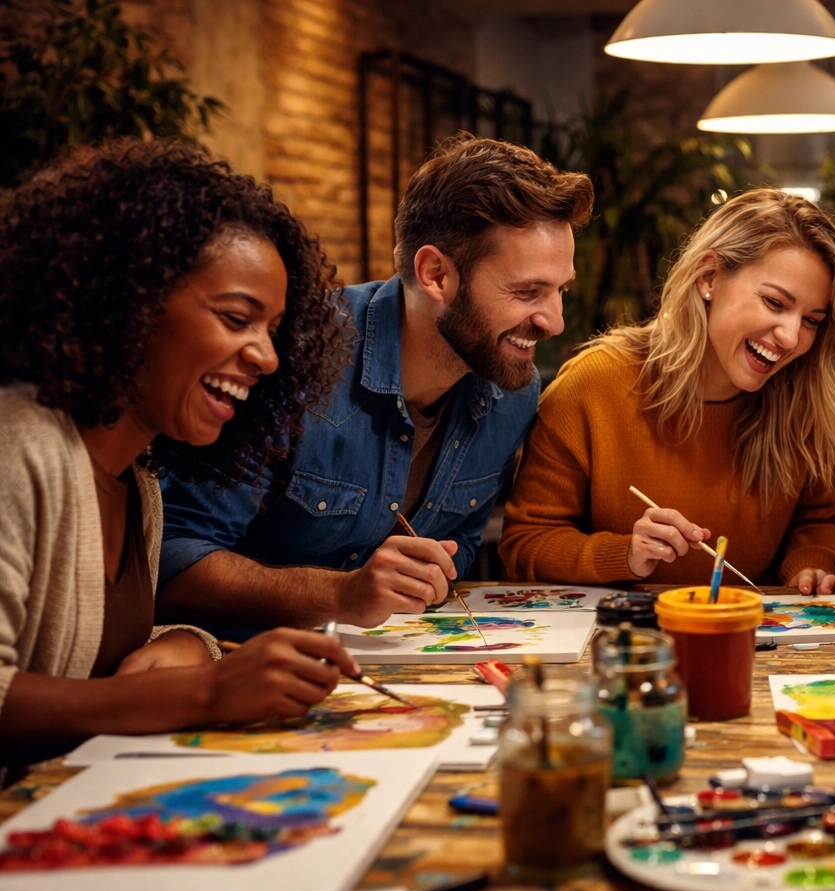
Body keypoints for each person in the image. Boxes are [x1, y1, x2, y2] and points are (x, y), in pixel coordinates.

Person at [0, 139, 360, 755]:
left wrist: (192, 644)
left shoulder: (135, 479)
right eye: (235, 317)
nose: (267, 357)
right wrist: (207, 692)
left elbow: (94, 662)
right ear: (126, 300)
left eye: (272, 330)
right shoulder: (20, 447)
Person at [156, 135, 593, 629]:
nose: (554, 322)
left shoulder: (512, 390)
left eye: (560, 291)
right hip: (241, 668)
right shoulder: (289, 357)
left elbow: (460, 547)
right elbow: (170, 559)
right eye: (527, 291)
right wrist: (340, 594)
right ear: (435, 274)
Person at [500, 189, 835, 592]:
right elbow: (524, 545)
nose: (792, 337)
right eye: (775, 303)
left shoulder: (805, 397)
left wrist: (808, 567)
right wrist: (626, 556)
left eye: (812, 320)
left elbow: (818, 520)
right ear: (709, 278)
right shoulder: (594, 385)